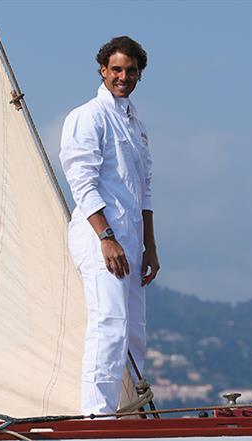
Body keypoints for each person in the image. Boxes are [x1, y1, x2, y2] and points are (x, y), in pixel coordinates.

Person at [60, 35, 160, 417]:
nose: (123, 76)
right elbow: (81, 181)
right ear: (102, 70)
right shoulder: (87, 117)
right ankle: (97, 416)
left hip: (132, 240)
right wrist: (105, 237)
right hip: (100, 236)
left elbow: (145, 190)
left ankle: (129, 413)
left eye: (130, 70)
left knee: (134, 333)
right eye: (116, 69)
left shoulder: (137, 124)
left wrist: (149, 245)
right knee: (110, 325)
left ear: (139, 74)